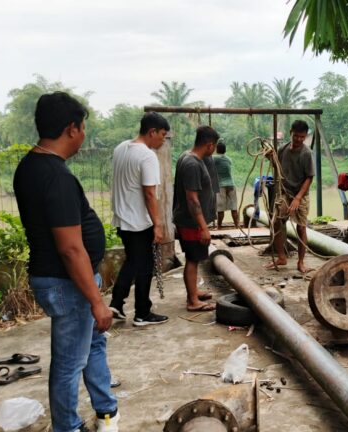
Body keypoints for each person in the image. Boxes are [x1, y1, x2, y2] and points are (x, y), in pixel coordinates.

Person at [13, 92, 119, 432]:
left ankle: (106, 413)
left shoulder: (30, 166)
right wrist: (96, 301)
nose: (84, 134)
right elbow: (71, 249)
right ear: (71, 129)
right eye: (83, 127)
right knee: (70, 362)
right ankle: (68, 427)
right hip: (67, 282)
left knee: (93, 345)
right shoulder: (56, 177)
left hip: (64, 280)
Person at [108, 112, 170, 326]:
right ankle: (142, 312)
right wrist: (158, 224)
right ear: (152, 131)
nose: (163, 140)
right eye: (162, 134)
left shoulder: (121, 148)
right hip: (139, 222)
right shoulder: (146, 156)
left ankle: (116, 302)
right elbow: (150, 193)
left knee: (133, 261)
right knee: (144, 266)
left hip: (122, 220)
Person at [172, 125, 219, 312]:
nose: (213, 149)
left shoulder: (187, 157)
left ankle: (194, 292)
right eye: (214, 146)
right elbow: (192, 199)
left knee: (195, 258)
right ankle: (193, 301)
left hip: (189, 221)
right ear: (209, 145)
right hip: (191, 223)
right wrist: (203, 227)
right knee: (192, 259)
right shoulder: (192, 164)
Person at [265, 120, 315, 273]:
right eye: (296, 136)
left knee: (301, 227)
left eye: (302, 136)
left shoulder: (306, 153)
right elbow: (277, 167)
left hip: (300, 193)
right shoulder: (283, 149)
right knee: (277, 223)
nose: (299, 139)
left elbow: (309, 177)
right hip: (284, 192)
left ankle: (301, 262)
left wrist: (298, 198)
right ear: (290, 133)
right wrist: (271, 158)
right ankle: (281, 257)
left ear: (305, 136)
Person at [214, 141, 240, 229]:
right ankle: (237, 226)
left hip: (221, 185)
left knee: (220, 209)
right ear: (225, 150)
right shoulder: (229, 159)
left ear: (217, 149)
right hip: (231, 184)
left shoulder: (215, 158)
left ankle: (219, 227)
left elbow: (206, 160)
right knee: (234, 207)